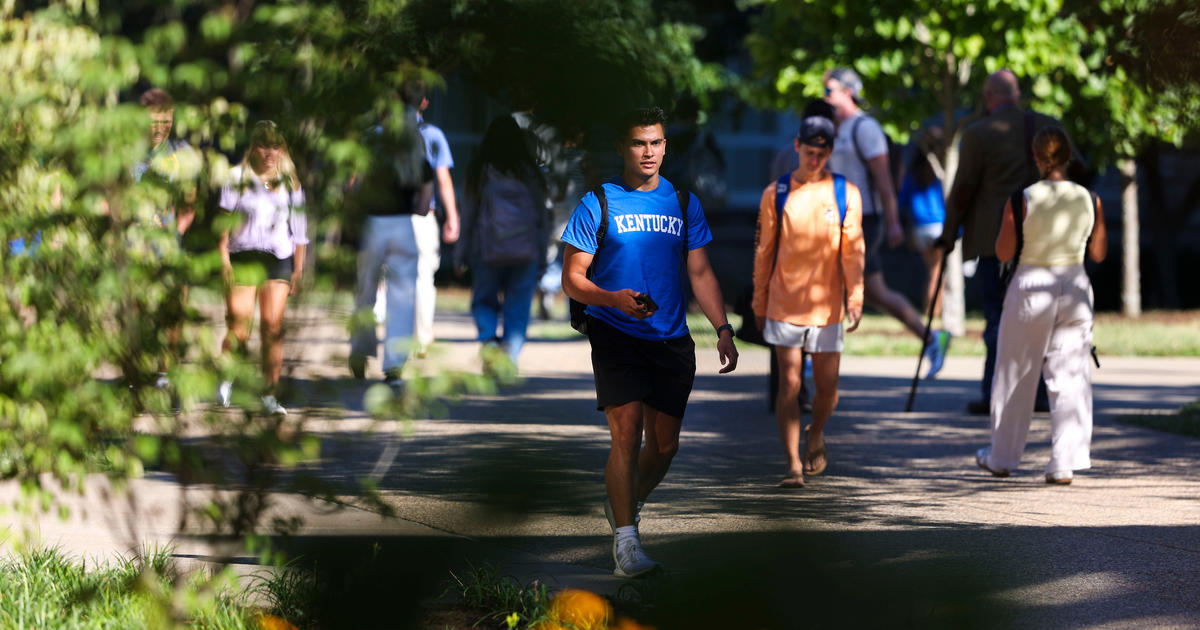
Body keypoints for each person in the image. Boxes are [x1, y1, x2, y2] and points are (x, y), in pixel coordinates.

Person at [561, 107, 738, 578]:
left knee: (664, 448)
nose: (649, 152)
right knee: (628, 431)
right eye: (639, 143)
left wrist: (723, 328)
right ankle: (627, 541)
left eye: (656, 143)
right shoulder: (598, 202)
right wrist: (613, 299)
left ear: (666, 146)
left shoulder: (683, 203)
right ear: (622, 147)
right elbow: (573, 279)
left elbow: (699, 272)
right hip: (615, 332)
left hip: (671, 339)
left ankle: (623, 500)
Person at [975, 126, 1106, 484]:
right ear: (1068, 156)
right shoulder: (1090, 198)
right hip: (1075, 285)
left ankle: (1001, 457)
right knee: (1070, 374)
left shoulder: (1022, 199)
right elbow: (1098, 252)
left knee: (1015, 372)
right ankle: (1063, 461)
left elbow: (1003, 251)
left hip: (1032, 284)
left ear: (1035, 157)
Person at [939, 70, 1073, 415]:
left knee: (999, 318)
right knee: (1043, 317)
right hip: (1046, 242)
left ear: (989, 97)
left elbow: (964, 189)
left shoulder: (979, 134)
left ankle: (995, 394)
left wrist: (949, 233)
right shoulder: (1047, 126)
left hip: (993, 241)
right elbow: (1079, 169)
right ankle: (1041, 395)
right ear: (1017, 95)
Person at [753, 116, 864, 488]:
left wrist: (856, 294)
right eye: (809, 151)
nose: (814, 159)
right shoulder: (777, 192)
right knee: (789, 384)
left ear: (829, 153)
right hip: (785, 302)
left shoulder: (845, 193)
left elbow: (853, 250)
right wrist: (759, 299)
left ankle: (816, 430)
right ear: (797, 147)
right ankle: (793, 465)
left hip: (828, 305)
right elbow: (764, 250)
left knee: (828, 389)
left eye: (821, 153)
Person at [823, 68, 950, 377]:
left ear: (849, 92)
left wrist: (892, 222)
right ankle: (931, 338)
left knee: (832, 281)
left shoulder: (864, 128)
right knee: (876, 292)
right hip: (839, 220)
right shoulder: (835, 129)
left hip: (864, 221)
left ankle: (819, 355)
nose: (825, 97)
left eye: (830, 91)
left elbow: (883, 180)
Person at [217, 121, 308, 415]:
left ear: (282, 149)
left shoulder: (291, 183)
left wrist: (298, 270)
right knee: (239, 326)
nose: (269, 153)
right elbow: (223, 226)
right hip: (243, 255)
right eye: (263, 145)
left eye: (275, 146)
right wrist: (224, 262)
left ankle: (269, 394)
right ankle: (227, 377)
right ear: (252, 147)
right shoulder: (236, 177)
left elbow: (300, 232)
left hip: (277, 258)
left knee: (272, 327)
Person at [349, 99, 435, 386]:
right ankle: (394, 367)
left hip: (373, 223)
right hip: (403, 226)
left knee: (365, 291)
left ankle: (360, 351)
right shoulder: (417, 156)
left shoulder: (370, 151)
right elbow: (424, 206)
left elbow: (353, 188)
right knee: (402, 297)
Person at [455, 115, 547, 366]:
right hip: (526, 251)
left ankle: (489, 342)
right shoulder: (530, 173)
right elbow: (541, 216)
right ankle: (509, 357)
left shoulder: (479, 172)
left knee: (484, 300)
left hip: (487, 250)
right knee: (518, 306)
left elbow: (469, 214)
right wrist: (542, 254)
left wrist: (461, 252)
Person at [131, 88, 198, 390]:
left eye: (166, 119)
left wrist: (176, 235)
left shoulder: (180, 155)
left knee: (172, 312)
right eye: (153, 120)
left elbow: (188, 207)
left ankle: (165, 375)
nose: (159, 126)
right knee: (137, 314)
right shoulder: (127, 154)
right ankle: (135, 373)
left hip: (169, 246)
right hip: (134, 247)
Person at [408, 81, 460, 356]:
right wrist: (452, 217)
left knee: (383, 277)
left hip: (383, 215)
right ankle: (422, 339)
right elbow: (443, 179)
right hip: (422, 215)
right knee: (423, 279)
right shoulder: (432, 135)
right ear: (424, 102)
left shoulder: (377, 132)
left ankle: (365, 343)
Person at [898, 128, 948, 323]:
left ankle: (930, 311)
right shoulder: (942, 172)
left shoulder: (914, 172)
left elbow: (904, 202)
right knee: (937, 275)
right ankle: (932, 315)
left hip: (919, 227)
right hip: (938, 226)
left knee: (931, 273)